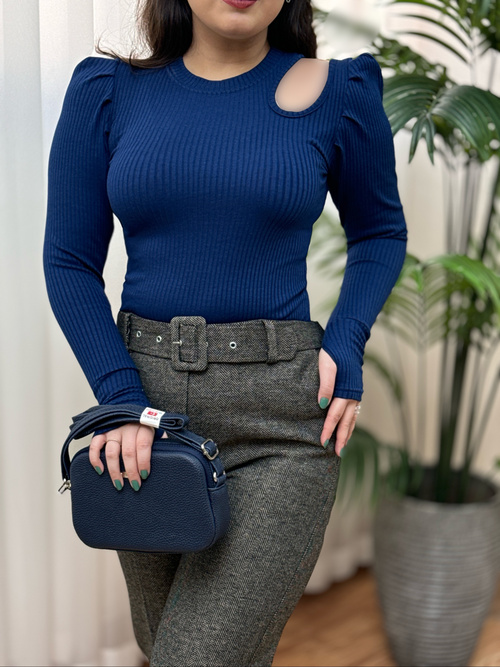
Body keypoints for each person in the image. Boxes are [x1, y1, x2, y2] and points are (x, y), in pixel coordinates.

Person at [43, 0, 408, 664]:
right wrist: (122, 399)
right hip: (145, 420)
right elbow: (69, 260)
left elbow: (380, 230)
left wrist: (347, 339)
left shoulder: (341, 93)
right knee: (167, 645)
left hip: (282, 424)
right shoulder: (106, 92)